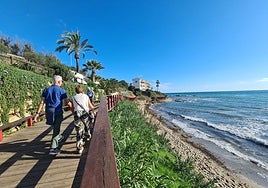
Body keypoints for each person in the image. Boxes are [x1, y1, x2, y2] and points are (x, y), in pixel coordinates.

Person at [34, 75, 72, 155]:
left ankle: (59, 137)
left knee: (55, 127)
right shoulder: (62, 91)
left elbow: (42, 102)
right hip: (57, 111)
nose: (62, 83)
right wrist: (73, 111)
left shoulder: (46, 90)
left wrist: (37, 114)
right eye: (61, 81)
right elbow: (67, 102)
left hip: (49, 111)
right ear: (58, 81)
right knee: (56, 129)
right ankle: (53, 148)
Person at [72, 85, 96, 154]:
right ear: (82, 90)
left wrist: (74, 113)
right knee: (87, 125)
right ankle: (88, 135)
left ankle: (79, 147)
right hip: (85, 113)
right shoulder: (85, 96)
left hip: (77, 114)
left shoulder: (73, 97)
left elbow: (74, 107)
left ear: (76, 91)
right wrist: (94, 112)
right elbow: (90, 105)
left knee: (79, 130)